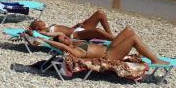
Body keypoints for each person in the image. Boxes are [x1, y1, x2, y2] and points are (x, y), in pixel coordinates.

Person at [39, 26, 168, 65]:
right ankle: (154, 59)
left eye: (66, 36)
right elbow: (61, 46)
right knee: (133, 38)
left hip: (109, 48)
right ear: (62, 44)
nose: (66, 37)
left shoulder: (75, 42)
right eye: (64, 39)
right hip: (110, 55)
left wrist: (45, 34)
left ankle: (152, 56)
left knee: (129, 30)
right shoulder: (74, 50)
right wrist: (43, 40)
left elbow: (60, 33)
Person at [27, 9, 114, 41]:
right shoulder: (43, 32)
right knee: (97, 31)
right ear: (37, 27)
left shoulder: (48, 28)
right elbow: (59, 35)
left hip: (77, 29)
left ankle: (110, 35)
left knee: (100, 13)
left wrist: (76, 26)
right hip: (75, 35)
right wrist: (31, 30)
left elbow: (66, 29)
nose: (41, 20)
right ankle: (115, 40)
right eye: (39, 21)